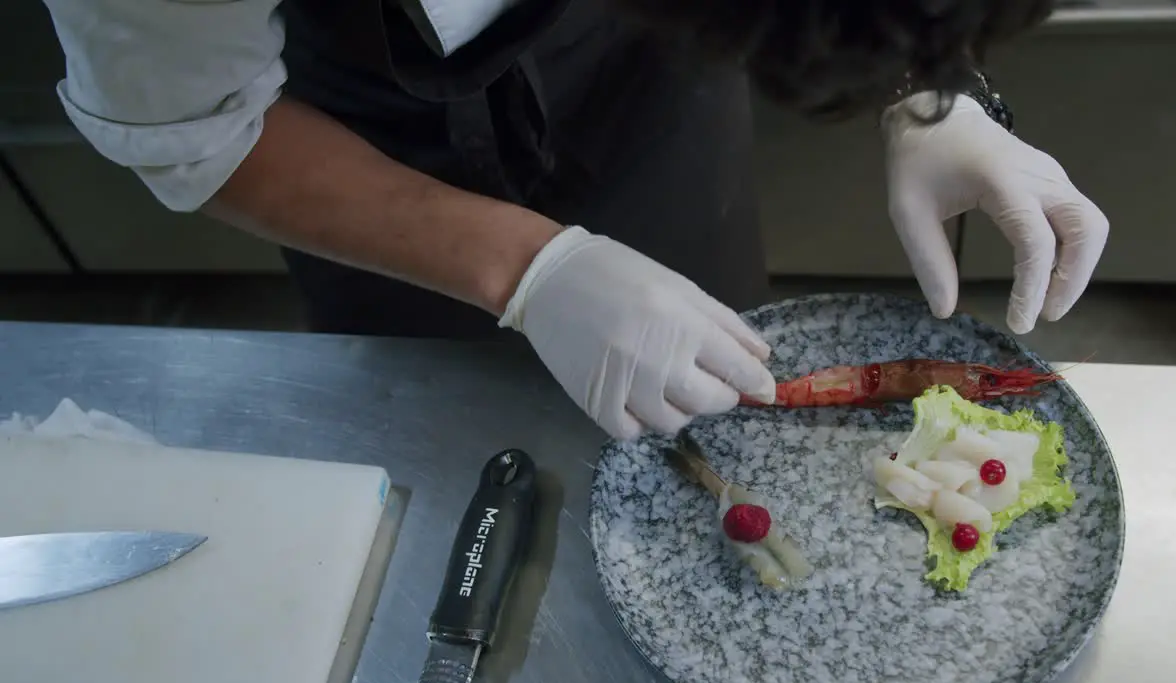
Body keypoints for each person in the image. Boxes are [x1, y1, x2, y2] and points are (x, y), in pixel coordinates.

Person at [40, 0, 1108, 441]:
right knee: (461, 428)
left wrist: (929, 84)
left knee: (721, 385)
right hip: (358, 122)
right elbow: (197, 128)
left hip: (644, 60)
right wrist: (529, 270)